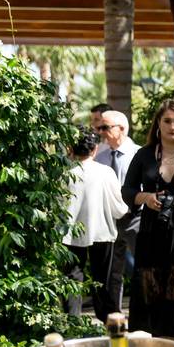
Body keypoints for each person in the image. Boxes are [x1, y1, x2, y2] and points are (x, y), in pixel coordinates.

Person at [122, 99, 174, 339]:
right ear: (158, 123)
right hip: (151, 233)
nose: (172, 126)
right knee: (151, 291)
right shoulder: (144, 155)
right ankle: (152, 343)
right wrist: (144, 197)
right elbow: (126, 190)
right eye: (167, 121)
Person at [63, 126, 128, 321]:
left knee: (72, 277)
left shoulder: (66, 174)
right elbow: (119, 208)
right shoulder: (105, 172)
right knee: (103, 278)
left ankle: (72, 320)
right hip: (102, 231)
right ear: (95, 149)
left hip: (70, 233)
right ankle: (107, 319)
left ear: (70, 149)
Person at [95, 108, 141, 311]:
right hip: (109, 221)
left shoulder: (139, 154)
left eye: (105, 127)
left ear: (121, 128)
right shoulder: (100, 156)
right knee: (113, 271)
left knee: (141, 268)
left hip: (135, 218)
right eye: (99, 127)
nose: (100, 131)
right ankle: (114, 315)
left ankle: (143, 313)